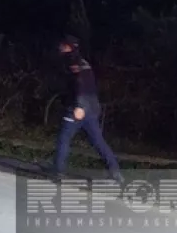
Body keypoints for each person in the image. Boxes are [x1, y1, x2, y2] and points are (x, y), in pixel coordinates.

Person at [49, 35, 124, 183]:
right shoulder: (83, 62)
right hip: (92, 108)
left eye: (64, 45)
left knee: (64, 137)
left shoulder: (73, 62)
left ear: (70, 47)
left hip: (79, 108)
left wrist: (79, 105)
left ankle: (58, 171)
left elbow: (80, 84)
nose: (60, 48)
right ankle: (114, 170)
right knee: (98, 141)